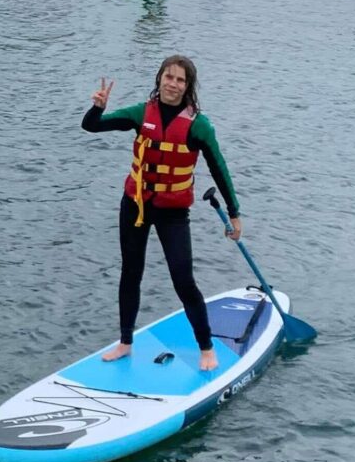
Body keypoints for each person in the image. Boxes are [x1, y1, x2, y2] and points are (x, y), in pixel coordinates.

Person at [82, 55, 242, 372]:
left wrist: (234, 213)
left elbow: (218, 168)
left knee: (183, 280)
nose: (173, 84)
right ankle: (126, 342)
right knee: (131, 272)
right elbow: (91, 126)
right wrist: (98, 107)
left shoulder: (199, 126)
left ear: (188, 87)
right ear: (159, 80)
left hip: (173, 213)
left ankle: (206, 347)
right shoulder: (141, 114)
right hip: (136, 206)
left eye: (180, 80)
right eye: (168, 77)